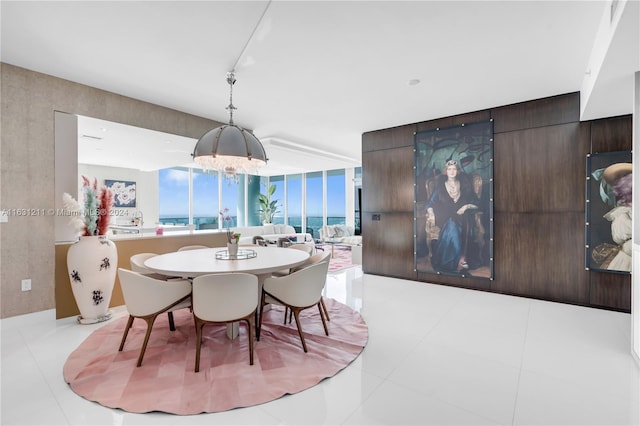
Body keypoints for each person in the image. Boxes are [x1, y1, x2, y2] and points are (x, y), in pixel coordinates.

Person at [425, 159, 481, 273]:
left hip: (462, 215)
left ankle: (455, 261)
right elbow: (430, 203)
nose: (451, 171)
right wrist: (430, 212)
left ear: (458, 171)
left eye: (454, 169)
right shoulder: (440, 186)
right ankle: (460, 260)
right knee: (451, 223)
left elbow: (477, 202)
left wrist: (466, 207)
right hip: (444, 216)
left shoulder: (465, 185)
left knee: (454, 225)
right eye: (449, 169)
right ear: (446, 171)